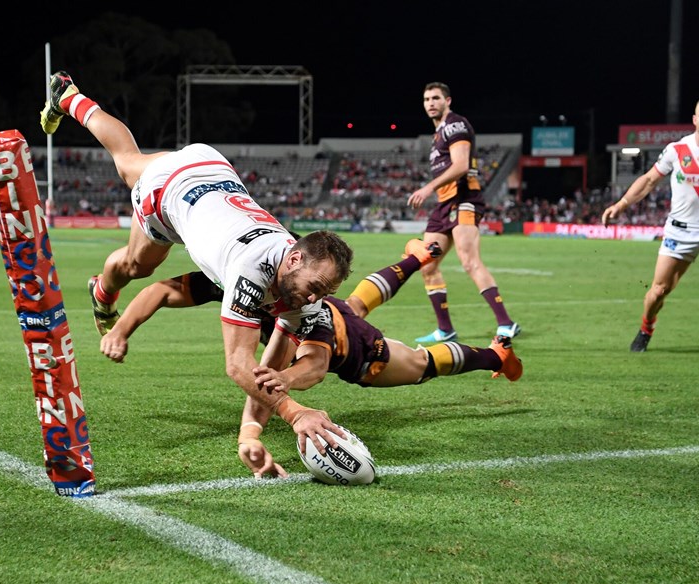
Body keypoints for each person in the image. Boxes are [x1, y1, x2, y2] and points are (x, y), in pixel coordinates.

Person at [39, 70, 355, 452]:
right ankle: (103, 291)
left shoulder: (299, 277)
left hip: (210, 167)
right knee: (137, 266)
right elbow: (238, 364)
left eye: (324, 292)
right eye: (315, 287)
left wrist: (267, 409)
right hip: (168, 193)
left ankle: (69, 98)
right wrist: (294, 413)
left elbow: (277, 370)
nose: (314, 298)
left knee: (128, 158)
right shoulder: (251, 269)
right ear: (294, 259)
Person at [96, 242, 522, 478]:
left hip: (350, 348)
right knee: (356, 301)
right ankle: (417, 257)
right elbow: (161, 290)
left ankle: (495, 355)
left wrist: (259, 418)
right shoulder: (244, 275)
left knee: (418, 364)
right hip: (329, 314)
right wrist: (119, 329)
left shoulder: (304, 308)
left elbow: (300, 368)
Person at [406, 81, 519, 344]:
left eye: (436, 98)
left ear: (448, 101)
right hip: (444, 204)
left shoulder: (455, 125)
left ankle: (506, 323)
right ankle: (445, 329)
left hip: (464, 199)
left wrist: (428, 187)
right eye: (426, 99)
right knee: (427, 264)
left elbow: (461, 165)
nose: (430, 103)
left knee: (469, 261)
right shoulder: (438, 134)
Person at [601, 100, 699, 352]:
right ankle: (646, 328)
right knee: (658, 291)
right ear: (695, 119)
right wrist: (621, 204)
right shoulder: (677, 150)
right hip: (681, 231)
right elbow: (648, 181)